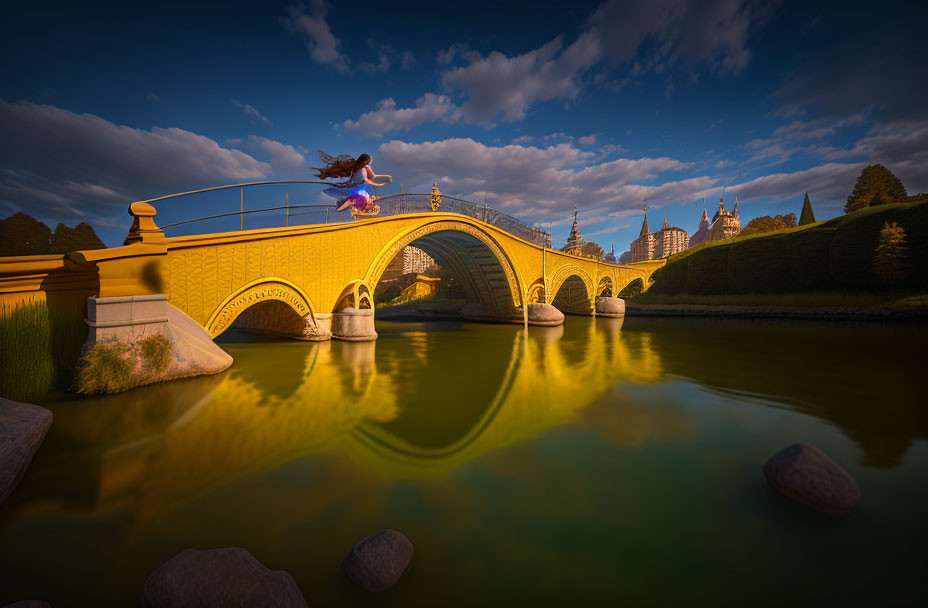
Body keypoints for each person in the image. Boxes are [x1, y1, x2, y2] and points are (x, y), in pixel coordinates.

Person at [315, 152, 392, 213]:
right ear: (364, 161)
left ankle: (367, 207)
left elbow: (373, 176)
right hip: (355, 188)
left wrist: (387, 177)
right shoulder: (355, 167)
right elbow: (366, 180)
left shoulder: (366, 168)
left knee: (368, 196)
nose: (368, 164)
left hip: (362, 188)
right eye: (368, 162)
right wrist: (379, 184)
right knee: (351, 198)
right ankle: (345, 207)